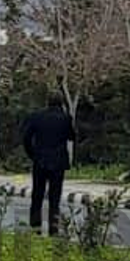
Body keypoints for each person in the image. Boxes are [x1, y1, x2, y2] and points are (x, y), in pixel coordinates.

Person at [21, 95, 78, 234]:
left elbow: (26, 137)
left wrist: (32, 154)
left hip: (40, 161)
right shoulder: (65, 118)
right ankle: (54, 228)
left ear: (47, 103)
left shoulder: (37, 117)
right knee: (55, 197)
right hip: (58, 162)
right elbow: (72, 136)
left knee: (37, 195)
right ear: (61, 104)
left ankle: (35, 227)